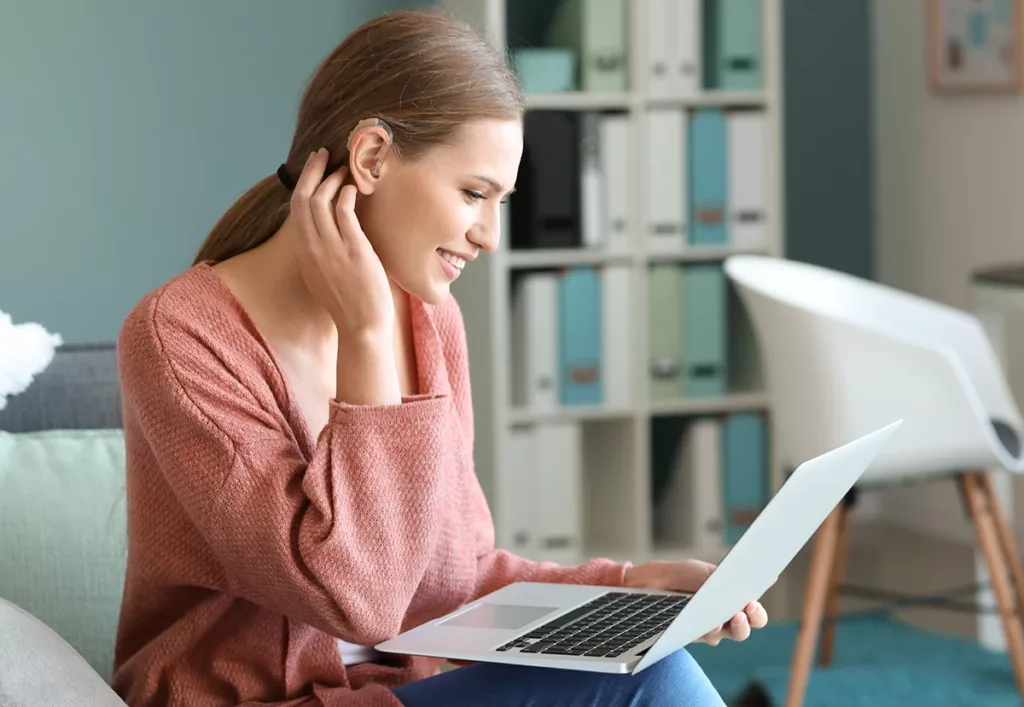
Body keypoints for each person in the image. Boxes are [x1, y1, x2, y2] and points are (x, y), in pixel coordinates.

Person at [111, 8, 768, 707]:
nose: (488, 235)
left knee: (649, 662)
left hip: (404, 693)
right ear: (370, 158)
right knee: (654, 684)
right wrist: (364, 336)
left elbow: (452, 578)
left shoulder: (430, 322)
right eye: (473, 193)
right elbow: (359, 597)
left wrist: (625, 582)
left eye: (501, 201)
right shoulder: (179, 337)